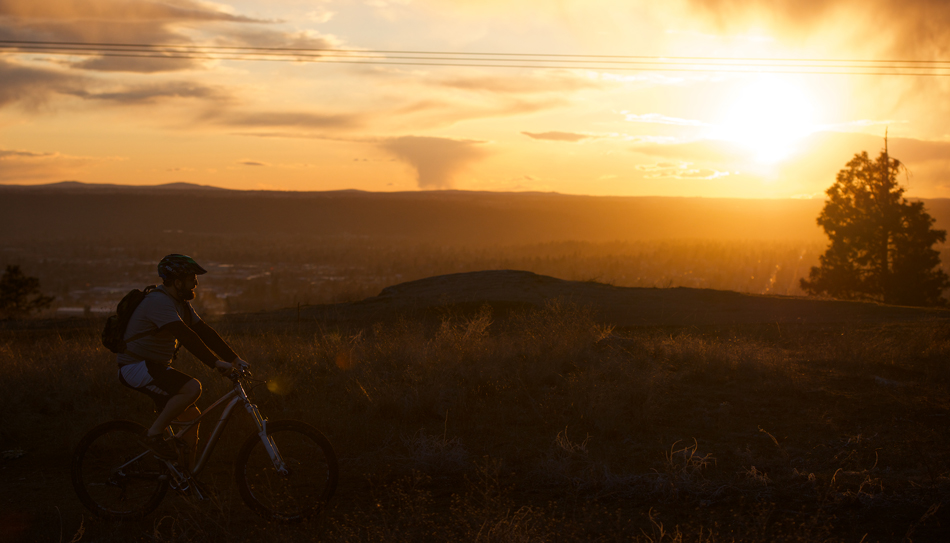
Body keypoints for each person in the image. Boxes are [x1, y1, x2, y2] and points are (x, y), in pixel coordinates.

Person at [116, 254, 248, 461]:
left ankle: (184, 473)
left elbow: (204, 332)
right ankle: (152, 435)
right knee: (192, 387)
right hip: (135, 367)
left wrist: (234, 358)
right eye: (191, 279)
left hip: (153, 367)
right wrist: (215, 363)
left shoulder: (179, 303)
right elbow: (185, 336)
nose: (195, 283)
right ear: (177, 282)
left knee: (191, 418)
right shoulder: (158, 302)